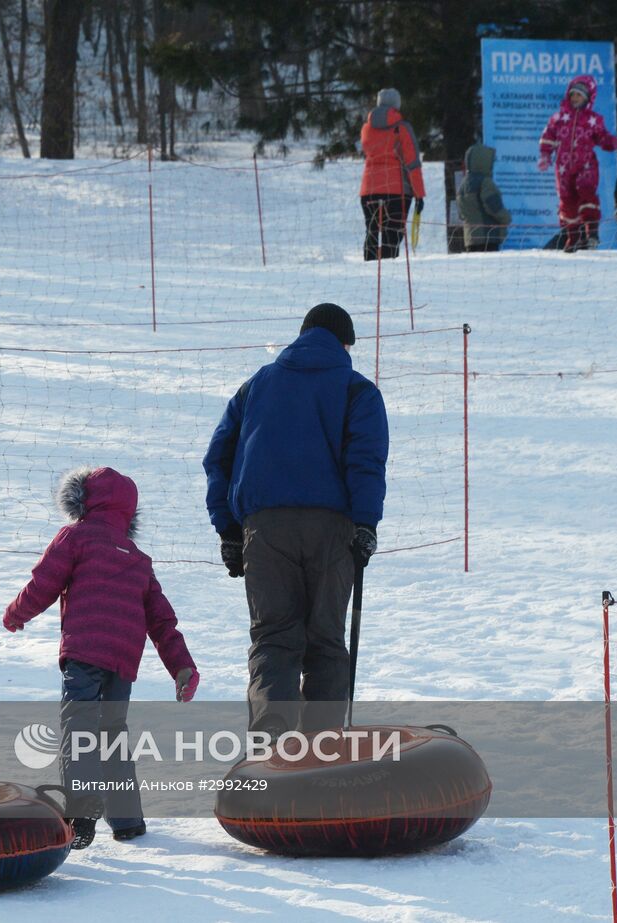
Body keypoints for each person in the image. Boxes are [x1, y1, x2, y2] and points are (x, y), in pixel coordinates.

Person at [202, 304, 388, 738]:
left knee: (274, 639)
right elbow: (366, 460)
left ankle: (272, 749)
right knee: (325, 641)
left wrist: (228, 529)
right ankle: (322, 753)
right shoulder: (357, 390)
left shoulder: (255, 386)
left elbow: (219, 458)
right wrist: (365, 524)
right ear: (345, 343)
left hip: (264, 530)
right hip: (333, 529)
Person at [3, 466, 199, 849]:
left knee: (78, 730)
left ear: (81, 502)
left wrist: (16, 614)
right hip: (123, 660)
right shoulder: (139, 559)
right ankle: (127, 821)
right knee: (112, 735)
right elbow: (162, 620)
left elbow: (45, 581)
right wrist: (182, 667)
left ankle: (81, 811)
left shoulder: (76, 537)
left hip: (84, 649)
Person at [538, 75, 617, 252]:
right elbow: (548, 137)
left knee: (586, 194)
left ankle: (592, 234)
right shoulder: (558, 118)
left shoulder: (593, 120)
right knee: (567, 203)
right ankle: (573, 239)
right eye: (572, 95)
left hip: (586, 166)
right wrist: (545, 155)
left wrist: (615, 142)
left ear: (587, 97)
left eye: (579, 95)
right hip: (563, 169)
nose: (575, 99)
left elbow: (603, 139)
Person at [360, 88, 425, 261]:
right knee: (392, 235)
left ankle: (370, 273)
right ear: (397, 105)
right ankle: (389, 273)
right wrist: (419, 194)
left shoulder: (366, 129)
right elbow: (412, 163)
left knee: (372, 232)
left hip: (369, 189)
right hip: (397, 190)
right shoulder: (402, 128)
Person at [457, 143, 511, 252]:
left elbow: (461, 214)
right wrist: (506, 218)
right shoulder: (485, 182)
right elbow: (493, 206)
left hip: (470, 239)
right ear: (484, 161)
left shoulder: (462, 185)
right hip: (487, 237)